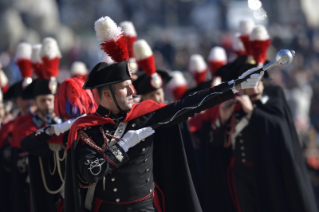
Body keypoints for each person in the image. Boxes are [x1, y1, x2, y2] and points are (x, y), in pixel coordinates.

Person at [205, 63, 318, 212]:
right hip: (240, 175)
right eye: (252, 84)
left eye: (259, 83)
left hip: (266, 171)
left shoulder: (272, 103)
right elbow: (215, 142)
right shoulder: (234, 109)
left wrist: (253, 112)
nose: (257, 87)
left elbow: (278, 129)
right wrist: (223, 119)